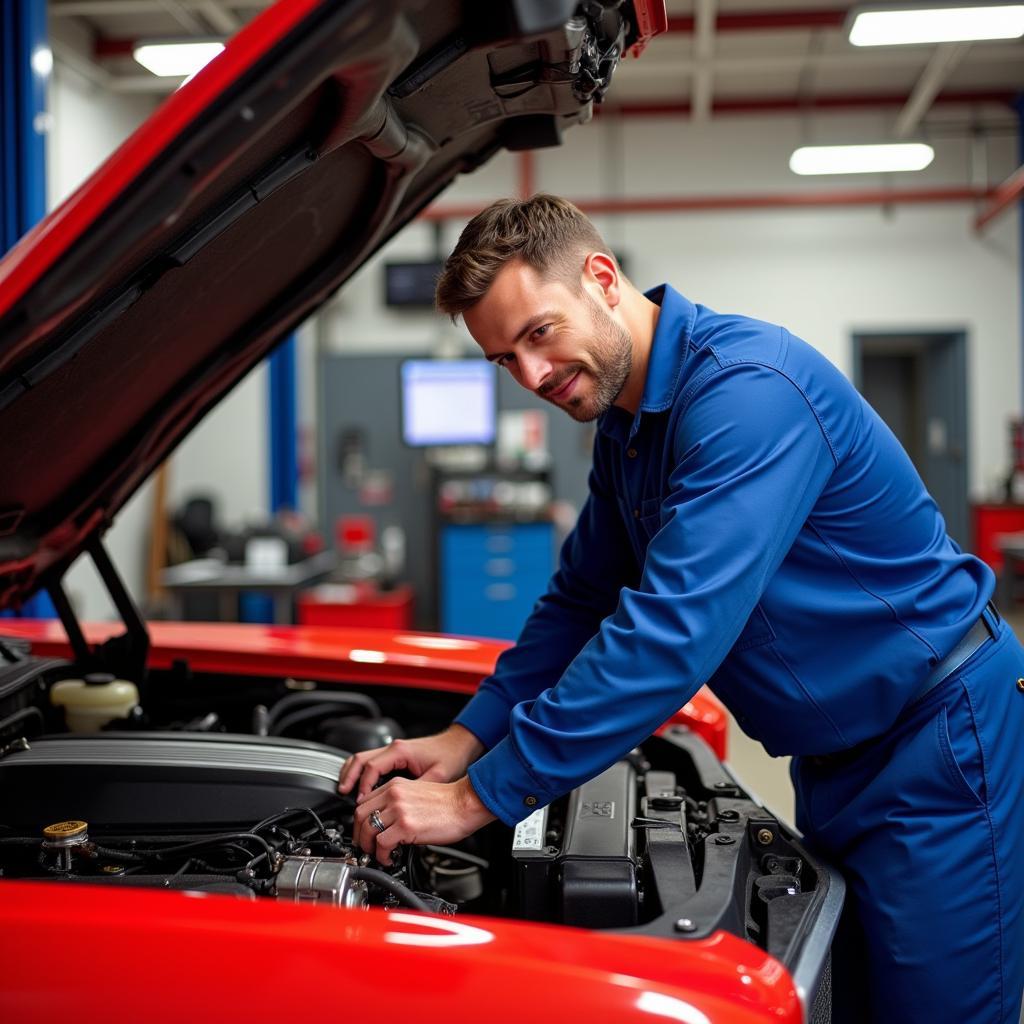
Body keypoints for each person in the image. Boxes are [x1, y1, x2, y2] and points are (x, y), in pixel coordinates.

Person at [338, 194, 1024, 1023]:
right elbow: (580, 600)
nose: (530, 377)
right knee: (860, 998)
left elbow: (672, 632)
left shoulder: (746, 395)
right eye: (502, 360)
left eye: (538, 334)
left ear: (600, 277)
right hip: (838, 756)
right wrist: (467, 735)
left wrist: (481, 796)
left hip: (938, 743)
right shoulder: (630, 434)